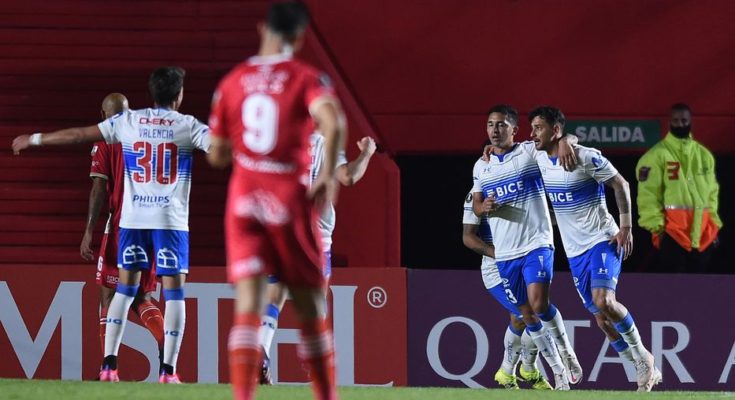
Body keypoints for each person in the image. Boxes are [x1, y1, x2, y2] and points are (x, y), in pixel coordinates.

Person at [13, 66, 211, 384]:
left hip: (130, 222)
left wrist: (36, 139)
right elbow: (228, 149)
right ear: (179, 95)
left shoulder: (129, 122)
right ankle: (168, 372)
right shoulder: (188, 126)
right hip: (170, 224)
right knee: (173, 294)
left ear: (151, 93)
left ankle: (108, 368)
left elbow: (78, 135)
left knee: (122, 291)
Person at [206, 2, 345, 400]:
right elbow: (334, 121)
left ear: (261, 28)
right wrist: (326, 182)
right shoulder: (305, 77)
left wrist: (242, 151)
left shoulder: (232, 81)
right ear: (299, 37)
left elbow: (216, 155)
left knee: (249, 306)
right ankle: (326, 395)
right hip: (287, 197)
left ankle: (243, 396)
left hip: (244, 199)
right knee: (310, 305)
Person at [529, 105, 662, 391]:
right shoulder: (537, 158)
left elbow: (621, 185)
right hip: (575, 252)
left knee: (604, 301)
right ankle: (638, 363)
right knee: (602, 320)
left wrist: (626, 227)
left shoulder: (586, 157)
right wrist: (490, 152)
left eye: (538, 127)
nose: (532, 133)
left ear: (555, 130)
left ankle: (643, 357)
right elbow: (510, 151)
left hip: (603, 239)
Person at [471, 104, 581, 390]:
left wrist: (569, 140)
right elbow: (476, 205)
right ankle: (554, 371)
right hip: (505, 254)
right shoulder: (481, 165)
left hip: (536, 242)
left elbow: (559, 139)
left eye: (501, 125)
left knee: (538, 304)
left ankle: (565, 355)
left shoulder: (528, 152)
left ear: (514, 130)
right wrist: (483, 207)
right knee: (526, 315)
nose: (495, 130)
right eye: (490, 125)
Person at [259, 134, 377, 384]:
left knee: (274, 297)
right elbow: (349, 176)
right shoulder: (326, 142)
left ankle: (262, 349)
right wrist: (367, 153)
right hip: (315, 236)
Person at [79, 93, 164, 365]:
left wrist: (89, 231)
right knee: (143, 296)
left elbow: (99, 189)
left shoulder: (106, 138)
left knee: (108, 292)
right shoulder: (148, 136)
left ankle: (108, 366)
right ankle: (167, 345)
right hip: (154, 222)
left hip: (122, 224)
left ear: (103, 115)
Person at [462, 187, 551, 390]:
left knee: (520, 318)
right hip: (496, 269)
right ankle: (527, 368)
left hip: (526, 260)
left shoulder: (521, 183)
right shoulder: (476, 194)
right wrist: (499, 254)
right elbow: (468, 237)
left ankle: (508, 371)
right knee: (530, 316)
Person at [636, 103, 722, 273]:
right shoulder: (655, 156)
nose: (680, 124)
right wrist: (658, 229)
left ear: (690, 122)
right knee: (674, 289)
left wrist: (714, 225)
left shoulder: (703, 155)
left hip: (704, 235)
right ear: (669, 122)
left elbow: (712, 194)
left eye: (684, 120)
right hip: (672, 234)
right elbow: (648, 196)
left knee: (701, 290)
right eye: (676, 120)